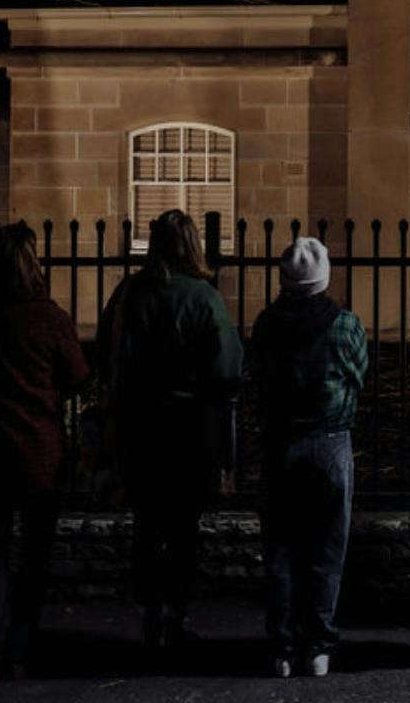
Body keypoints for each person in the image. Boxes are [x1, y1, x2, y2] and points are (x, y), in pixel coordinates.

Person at [0, 222, 91, 683]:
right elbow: (78, 378)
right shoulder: (49, 317)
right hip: (38, 452)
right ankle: (19, 648)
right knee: (34, 557)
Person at [95, 209, 242, 653]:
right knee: (182, 527)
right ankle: (173, 613)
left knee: (146, 521)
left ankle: (149, 611)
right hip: (187, 429)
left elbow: (106, 353)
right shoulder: (202, 297)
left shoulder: (128, 293)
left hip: (137, 425)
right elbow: (227, 368)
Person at [251, 237, 368, 678]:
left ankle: (281, 647)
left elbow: (257, 375)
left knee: (280, 550)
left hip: (280, 443)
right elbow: (359, 374)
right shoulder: (344, 325)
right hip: (331, 441)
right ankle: (319, 645)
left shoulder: (266, 324)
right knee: (327, 549)